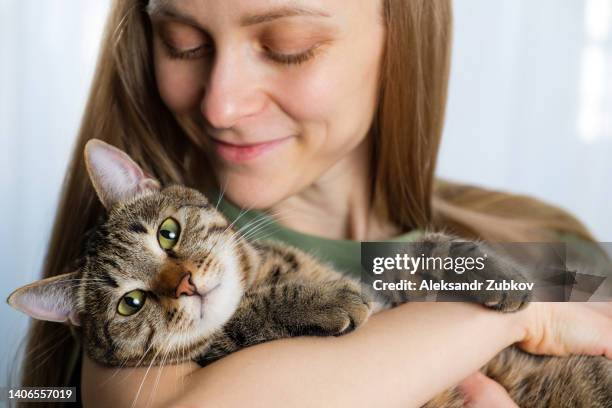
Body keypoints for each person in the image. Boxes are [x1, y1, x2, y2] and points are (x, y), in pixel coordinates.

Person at [18, 0, 612, 407]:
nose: (220, 105)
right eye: (185, 44)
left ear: (400, 30)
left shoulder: (552, 243)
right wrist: (523, 316)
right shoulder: (135, 329)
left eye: (288, 47)